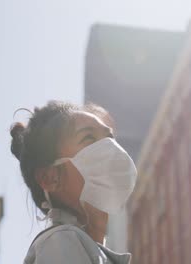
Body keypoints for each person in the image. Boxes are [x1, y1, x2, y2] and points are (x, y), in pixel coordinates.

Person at [10, 101, 137, 264]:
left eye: (109, 138)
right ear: (50, 178)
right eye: (89, 138)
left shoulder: (83, 248)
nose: (110, 148)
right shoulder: (60, 241)